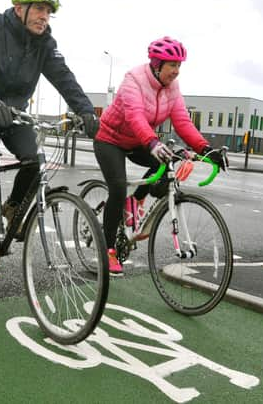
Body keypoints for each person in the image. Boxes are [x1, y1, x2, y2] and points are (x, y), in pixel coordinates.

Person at [0, 0, 99, 278]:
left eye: (49, 12)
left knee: (36, 161)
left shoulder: (45, 44)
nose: (44, 17)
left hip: (15, 114)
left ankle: (11, 206)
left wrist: (86, 110)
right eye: (39, 9)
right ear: (19, 8)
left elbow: (64, 78)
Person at [93, 36, 227, 276]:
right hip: (110, 139)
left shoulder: (172, 88)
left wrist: (206, 149)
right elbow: (135, 116)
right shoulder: (133, 80)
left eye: (179, 66)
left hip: (138, 140)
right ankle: (109, 250)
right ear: (157, 64)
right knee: (117, 187)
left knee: (169, 163)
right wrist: (153, 142)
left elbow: (182, 122)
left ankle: (136, 201)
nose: (176, 72)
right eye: (172, 65)